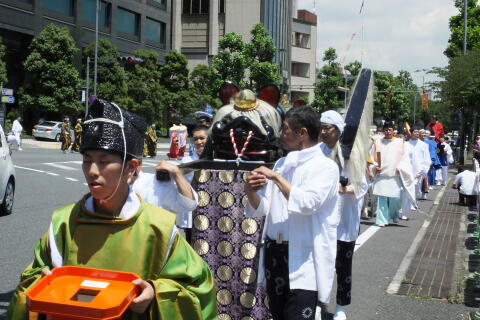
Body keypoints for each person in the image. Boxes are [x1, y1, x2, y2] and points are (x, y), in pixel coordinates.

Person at [6, 99, 217, 320]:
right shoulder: (63, 222)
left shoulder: (158, 228)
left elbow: (197, 286)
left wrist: (155, 293)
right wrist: (41, 281)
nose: (92, 171)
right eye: (87, 160)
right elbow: (30, 277)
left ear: (131, 168)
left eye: (104, 161)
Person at [245, 106, 340, 320]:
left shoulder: (325, 167)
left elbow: (308, 203)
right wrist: (251, 191)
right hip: (274, 255)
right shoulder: (282, 162)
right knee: (277, 315)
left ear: (302, 133)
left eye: (285, 129)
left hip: (303, 259)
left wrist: (277, 179)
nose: (281, 134)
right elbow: (266, 208)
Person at [318, 110, 367, 320]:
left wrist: (342, 189)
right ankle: (319, 303)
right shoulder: (318, 151)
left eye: (327, 128)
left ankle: (340, 307)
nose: (322, 132)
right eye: (320, 127)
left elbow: (362, 185)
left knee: (343, 267)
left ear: (338, 131)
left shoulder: (353, 153)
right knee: (320, 264)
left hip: (346, 219)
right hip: (322, 220)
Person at [371, 121, 413, 227]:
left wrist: (401, 168)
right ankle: (381, 220)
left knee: (395, 199)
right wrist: (375, 166)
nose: (388, 131)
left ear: (393, 131)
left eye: (390, 129)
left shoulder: (400, 142)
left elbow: (405, 158)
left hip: (395, 175)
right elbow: (373, 157)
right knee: (382, 199)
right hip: (382, 175)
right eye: (386, 130)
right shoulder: (377, 142)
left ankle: (394, 214)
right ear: (383, 131)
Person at [403, 125, 431, 218]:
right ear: (411, 133)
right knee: (406, 188)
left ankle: (413, 202)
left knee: (416, 188)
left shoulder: (424, 145)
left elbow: (427, 159)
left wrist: (423, 171)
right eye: (415, 132)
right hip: (407, 169)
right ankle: (405, 209)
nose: (417, 133)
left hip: (419, 170)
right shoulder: (406, 144)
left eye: (418, 132)